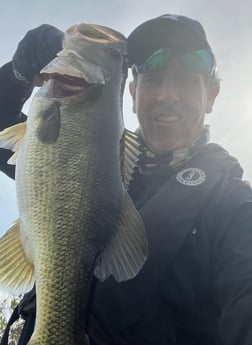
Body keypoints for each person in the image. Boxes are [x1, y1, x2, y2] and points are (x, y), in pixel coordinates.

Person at [0, 14, 252, 345]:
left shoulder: (235, 208)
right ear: (132, 93)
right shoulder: (83, 158)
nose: (168, 95)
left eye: (188, 80)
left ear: (212, 95)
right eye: (153, 79)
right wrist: (17, 75)